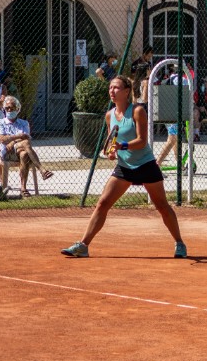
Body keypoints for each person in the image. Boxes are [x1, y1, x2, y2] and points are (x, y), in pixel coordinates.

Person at [63, 75, 187, 259]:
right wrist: (111, 152)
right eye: (110, 88)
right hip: (124, 167)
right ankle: (83, 246)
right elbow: (111, 142)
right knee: (103, 203)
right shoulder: (109, 115)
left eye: (116, 88)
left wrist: (122, 146)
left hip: (145, 164)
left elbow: (142, 141)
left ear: (127, 91)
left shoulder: (137, 111)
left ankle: (179, 243)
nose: (111, 91)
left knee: (162, 206)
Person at [0, 96, 53, 196]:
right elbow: (2, 139)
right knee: (25, 144)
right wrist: (18, 136)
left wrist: (12, 141)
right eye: (7, 108)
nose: (9, 110)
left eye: (11, 108)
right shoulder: (0, 122)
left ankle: (23, 188)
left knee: (24, 154)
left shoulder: (24, 123)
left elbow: (26, 138)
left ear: (17, 109)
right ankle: (42, 170)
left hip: (20, 150)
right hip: (7, 153)